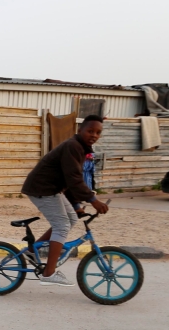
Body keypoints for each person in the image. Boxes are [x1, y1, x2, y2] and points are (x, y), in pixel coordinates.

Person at [21, 114, 109, 286]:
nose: (94, 135)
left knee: (71, 218)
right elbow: (74, 179)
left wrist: (76, 204)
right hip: (42, 188)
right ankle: (48, 273)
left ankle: (32, 250)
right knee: (62, 226)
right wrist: (93, 200)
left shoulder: (80, 148)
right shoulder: (73, 146)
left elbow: (68, 180)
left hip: (51, 188)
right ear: (80, 130)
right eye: (90, 131)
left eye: (98, 133)